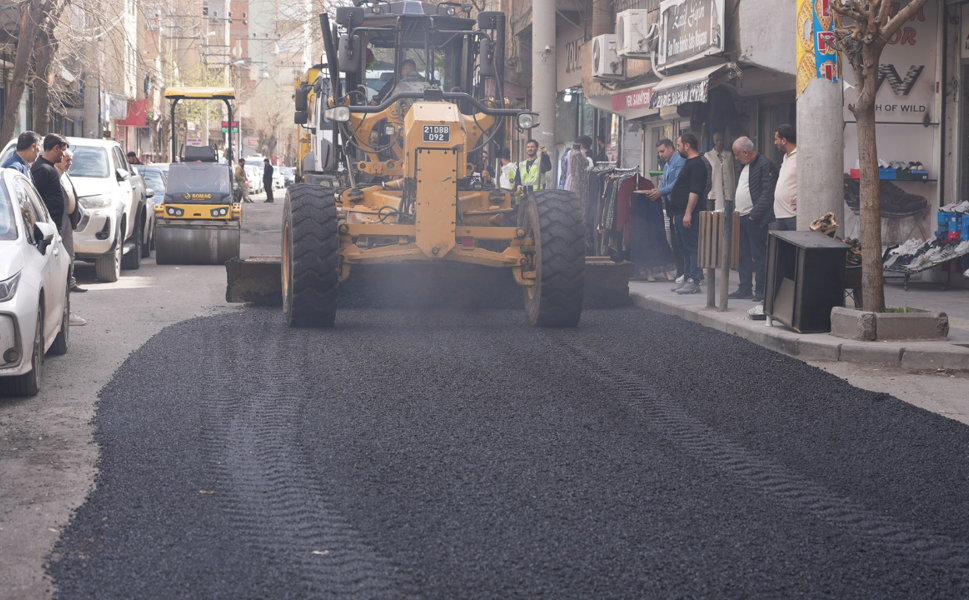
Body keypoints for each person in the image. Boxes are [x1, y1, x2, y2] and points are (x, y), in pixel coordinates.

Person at [730, 136, 778, 303]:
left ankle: (760, 290)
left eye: (737, 154)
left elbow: (768, 193)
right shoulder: (745, 165)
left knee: (758, 255)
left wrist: (753, 215)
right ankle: (744, 288)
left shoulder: (765, 165)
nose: (736, 158)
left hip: (755, 218)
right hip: (741, 216)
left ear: (745, 152)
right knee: (743, 254)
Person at [668, 133, 707, 295]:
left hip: (689, 213)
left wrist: (688, 213)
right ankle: (687, 277)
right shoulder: (688, 163)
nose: (677, 149)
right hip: (679, 213)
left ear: (687, 146)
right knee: (684, 247)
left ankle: (694, 280)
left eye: (678, 145)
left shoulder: (697, 164)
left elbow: (694, 191)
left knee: (692, 247)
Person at [54, 150, 88, 325]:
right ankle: (62, 311)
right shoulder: (52, 175)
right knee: (60, 262)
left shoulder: (65, 175)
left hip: (67, 222)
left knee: (70, 256)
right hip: (59, 223)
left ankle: (71, 282)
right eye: (67, 160)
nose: (70, 163)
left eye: (71, 160)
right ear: (59, 159)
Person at [648, 139, 685, 280]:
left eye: (662, 151)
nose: (661, 155)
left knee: (681, 240)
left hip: (679, 204)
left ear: (671, 148)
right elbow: (666, 182)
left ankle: (685, 272)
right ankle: (681, 272)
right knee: (675, 240)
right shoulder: (667, 164)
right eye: (658, 152)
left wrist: (661, 192)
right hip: (670, 204)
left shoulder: (680, 161)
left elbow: (677, 182)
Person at [772, 124, 797, 231]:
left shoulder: (801, 156)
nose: (775, 142)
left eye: (776, 139)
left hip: (793, 215)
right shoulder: (785, 157)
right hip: (780, 214)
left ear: (784, 140)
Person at [704, 131, 735, 211]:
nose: (719, 142)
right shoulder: (708, 156)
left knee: (729, 215)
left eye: (721, 140)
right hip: (715, 190)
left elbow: (732, 173)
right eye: (717, 140)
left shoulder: (729, 155)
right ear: (713, 141)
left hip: (728, 191)